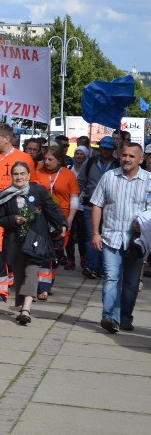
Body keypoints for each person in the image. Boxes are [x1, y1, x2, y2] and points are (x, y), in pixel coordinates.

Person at [90, 142, 151, 333]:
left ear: (141, 159)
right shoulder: (109, 176)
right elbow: (97, 204)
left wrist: (143, 223)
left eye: (132, 156)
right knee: (111, 277)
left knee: (132, 283)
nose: (127, 159)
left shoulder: (149, 180)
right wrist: (95, 233)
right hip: (111, 236)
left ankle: (125, 317)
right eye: (124, 155)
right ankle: (109, 317)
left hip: (137, 241)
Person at [0, 161, 67, 325]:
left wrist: (63, 224)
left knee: (32, 271)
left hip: (36, 239)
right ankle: (22, 306)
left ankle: (26, 309)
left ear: (28, 176)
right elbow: (0, 219)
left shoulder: (38, 190)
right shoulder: (5, 195)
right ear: (11, 176)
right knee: (19, 274)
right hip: (15, 241)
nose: (19, 177)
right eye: (16, 174)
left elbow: (53, 209)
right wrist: (13, 219)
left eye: (22, 174)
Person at [0, 123, 36, 303]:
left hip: (16, 214)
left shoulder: (25, 158)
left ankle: (14, 280)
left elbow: (32, 187)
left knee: (13, 250)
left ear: (7, 139)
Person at [32, 145, 79, 300]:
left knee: (56, 254)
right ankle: (43, 287)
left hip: (61, 220)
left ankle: (48, 282)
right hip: (41, 218)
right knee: (44, 252)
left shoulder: (68, 175)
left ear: (59, 160)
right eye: (45, 159)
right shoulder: (38, 172)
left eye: (50, 159)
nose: (46, 162)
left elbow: (74, 199)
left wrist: (70, 220)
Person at [77, 136, 119, 279]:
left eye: (109, 148)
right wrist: (83, 195)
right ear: (99, 147)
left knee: (106, 237)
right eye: (103, 147)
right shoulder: (89, 163)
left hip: (110, 207)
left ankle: (103, 267)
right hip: (91, 205)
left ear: (113, 150)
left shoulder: (117, 165)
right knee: (92, 236)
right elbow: (81, 180)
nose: (105, 150)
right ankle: (92, 266)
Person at [65, 145, 91, 271]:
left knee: (82, 234)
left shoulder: (88, 169)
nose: (79, 156)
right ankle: (70, 259)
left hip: (82, 206)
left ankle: (83, 258)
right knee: (69, 233)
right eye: (77, 153)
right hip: (70, 205)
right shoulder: (69, 169)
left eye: (82, 154)